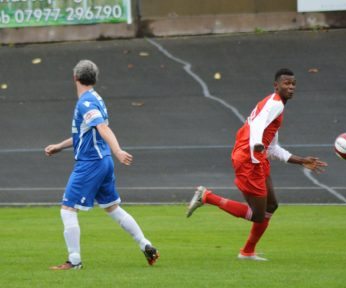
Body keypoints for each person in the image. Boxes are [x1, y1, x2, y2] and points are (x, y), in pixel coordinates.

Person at [187, 68, 327, 261]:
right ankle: (207, 197)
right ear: (276, 86)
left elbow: (273, 148)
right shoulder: (275, 104)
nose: (291, 87)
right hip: (249, 159)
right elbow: (257, 126)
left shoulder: (274, 106)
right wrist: (256, 147)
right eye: (286, 83)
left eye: (293, 83)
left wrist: (301, 160)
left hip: (255, 157)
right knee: (258, 215)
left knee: (272, 205)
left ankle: (247, 252)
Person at [45, 60, 159, 270]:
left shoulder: (85, 102)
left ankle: (74, 261)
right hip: (103, 162)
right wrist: (60, 146)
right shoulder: (96, 98)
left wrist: (117, 150)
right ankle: (146, 245)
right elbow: (86, 132)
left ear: (75, 78)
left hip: (91, 163)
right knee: (113, 208)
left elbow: (103, 128)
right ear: (94, 79)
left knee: (68, 209)